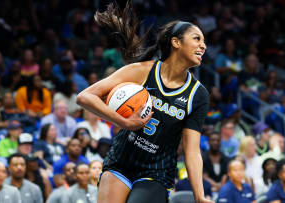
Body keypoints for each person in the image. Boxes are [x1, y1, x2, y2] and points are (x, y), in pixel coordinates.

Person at [76, 2, 211, 203]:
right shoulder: (141, 71)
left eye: (204, 41)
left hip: (156, 171)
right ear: (176, 42)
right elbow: (85, 97)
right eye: (197, 38)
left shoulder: (197, 95)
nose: (203, 45)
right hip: (121, 161)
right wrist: (125, 123)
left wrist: (199, 196)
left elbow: (192, 150)